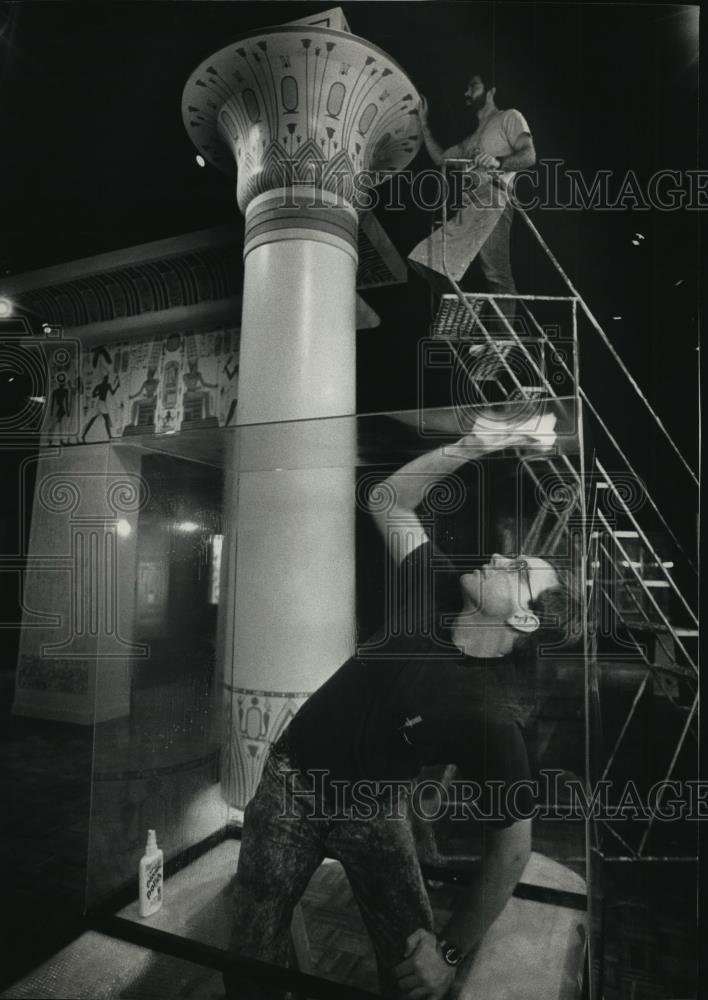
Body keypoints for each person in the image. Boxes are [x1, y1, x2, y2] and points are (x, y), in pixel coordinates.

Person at [224, 413, 575, 1000]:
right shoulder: (431, 585)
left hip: (375, 807)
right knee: (253, 952)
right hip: (291, 786)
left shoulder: (487, 716)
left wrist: (453, 951)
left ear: (522, 619)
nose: (501, 558)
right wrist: (477, 442)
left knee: (414, 962)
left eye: (518, 572)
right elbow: (387, 499)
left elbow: (514, 844)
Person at [410, 71, 536, 322]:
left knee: (496, 273)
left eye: (474, 87)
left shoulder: (508, 117)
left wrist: (498, 162)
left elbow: (529, 155)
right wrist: (424, 124)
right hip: (471, 207)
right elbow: (440, 159)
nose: (467, 93)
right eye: (467, 88)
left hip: (494, 200)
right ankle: (469, 315)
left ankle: (502, 341)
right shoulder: (470, 140)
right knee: (424, 258)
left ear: (491, 91)